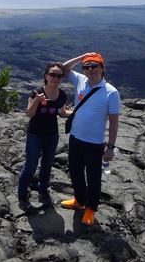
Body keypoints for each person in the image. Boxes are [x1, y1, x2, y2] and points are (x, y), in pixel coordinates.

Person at [60, 52, 120, 226]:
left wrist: (110, 147)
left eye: (94, 66)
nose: (90, 69)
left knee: (93, 177)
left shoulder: (111, 92)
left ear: (103, 68)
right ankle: (79, 201)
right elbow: (64, 68)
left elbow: (114, 122)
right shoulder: (80, 80)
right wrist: (83, 57)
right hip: (75, 138)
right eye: (87, 67)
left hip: (94, 143)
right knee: (75, 171)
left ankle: (91, 209)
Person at [18, 62, 68, 209]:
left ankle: (43, 191)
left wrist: (80, 114)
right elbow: (29, 114)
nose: (55, 78)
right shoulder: (37, 93)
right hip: (35, 135)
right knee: (30, 167)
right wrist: (37, 101)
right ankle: (22, 196)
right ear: (46, 75)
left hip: (52, 136)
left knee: (47, 166)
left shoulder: (62, 95)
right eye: (52, 74)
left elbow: (62, 113)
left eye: (59, 76)